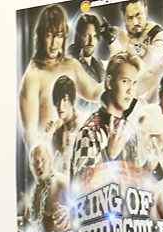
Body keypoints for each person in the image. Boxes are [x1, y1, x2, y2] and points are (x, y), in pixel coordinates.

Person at [19, 4, 103, 150]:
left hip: (74, 151)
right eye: (49, 35)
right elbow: (30, 135)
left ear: (64, 36)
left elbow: (94, 93)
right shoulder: (33, 76)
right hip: (49, 154)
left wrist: (118, 77)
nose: (54, 43)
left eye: (58, 35)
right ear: (41, 36)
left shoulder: (71, 65)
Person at [70, 51, 141, 186]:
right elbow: (80, 186)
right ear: (109, 82)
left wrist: (152, 166)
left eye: (134, 83)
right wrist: (108, 155)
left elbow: (132, 183)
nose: (130, 90)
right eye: (125, 81)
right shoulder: (89, 131)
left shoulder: (129, 130)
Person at [111, 0, 163, 67]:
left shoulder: (157, 32)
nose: (135, 22)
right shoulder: (124, 39)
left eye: (138, 15)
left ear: (145, 11)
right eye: (130, 18)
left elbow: (152, 60)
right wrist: (113, 42)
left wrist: (129, 44)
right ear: (124, 19)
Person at [47, 75, 82, 175]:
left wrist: (77, 140)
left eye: (65, 100)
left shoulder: (81, 124)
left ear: (72, 100)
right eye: (58, 100)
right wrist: (48, 137)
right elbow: (49, 161)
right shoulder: (58, 126)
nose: (60, 106)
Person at [67, 13, 106, 84]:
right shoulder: (69, 64)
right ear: (77, 37)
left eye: (94, 36)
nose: (91, 41)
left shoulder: (99, 65)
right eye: (86, 35)